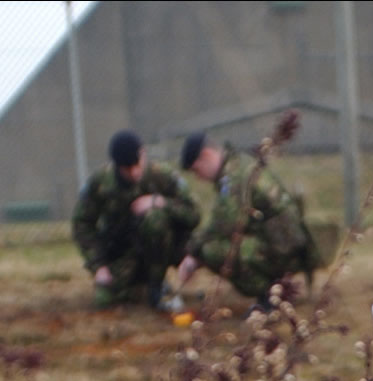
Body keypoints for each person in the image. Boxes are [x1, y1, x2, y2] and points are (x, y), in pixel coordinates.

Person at [177, 131, 318, 312]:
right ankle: (274, 289)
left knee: (212, 250)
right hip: (285, 242)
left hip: (282, 248)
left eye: (197, 170)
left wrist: (192, 254)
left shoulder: (234, 176)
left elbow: (223, 224)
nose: (199, 177)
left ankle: (270, 295)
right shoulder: (239, 164)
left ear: (206, 156)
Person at [72, 130, 200, 309]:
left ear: (143, 155)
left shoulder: (161, 175)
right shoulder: (100, 183)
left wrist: (160, 202)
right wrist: (98, 266)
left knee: (153, 218)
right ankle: (141, 286)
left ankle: (157, 285)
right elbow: (82, 224)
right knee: (104, 299)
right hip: (124, 251)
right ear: (117, 165)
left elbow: (193, 213)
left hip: (164, 247)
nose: (134, 172)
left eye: (136, 165)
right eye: (127, 168)